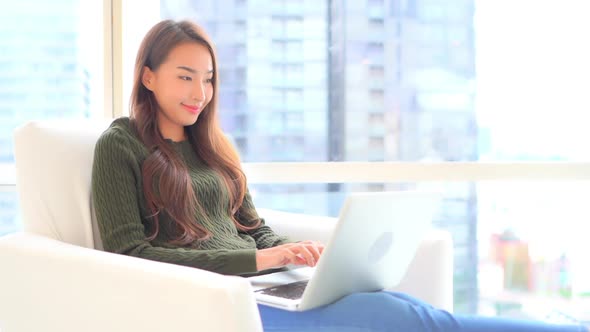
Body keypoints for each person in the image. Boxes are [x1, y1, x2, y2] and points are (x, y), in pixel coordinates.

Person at [91, 19, 587, 332]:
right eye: (185, 76)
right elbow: (126, 253)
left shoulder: (212, 149)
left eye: (209, 77)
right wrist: (258, 258)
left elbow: (251, 225)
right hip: (217, 303)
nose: (200, 91)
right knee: (411, 321)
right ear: (148, 76)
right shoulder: (121, 145)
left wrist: (294, 253)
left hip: (265, 287)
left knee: (399, 309)